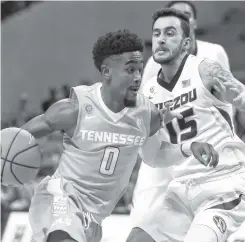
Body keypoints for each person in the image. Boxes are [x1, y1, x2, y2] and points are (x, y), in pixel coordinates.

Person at [17, 30, 216, 242]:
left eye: (140, 70)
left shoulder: (147, 114)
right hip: (60, 197)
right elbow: (19, 138)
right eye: (130, 70)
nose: (138, 77)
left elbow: (155, 154)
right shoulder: (76, 108)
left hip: (93, 221)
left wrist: (189, 148)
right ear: (106, 71)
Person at [127, 9, 245, 242]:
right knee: (137, 239)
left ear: (186, 43)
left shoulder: (206, 70)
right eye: (157, 33)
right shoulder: (149, 92)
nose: (161, 39)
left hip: (223, 186)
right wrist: (188, 148)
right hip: (181, 190)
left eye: (170, 33)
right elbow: (153, 158)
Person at [140, 1, 230, 88]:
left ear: (195, 23)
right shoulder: (154, 63)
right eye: (174, 16)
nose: (181, 20)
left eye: (186, 15)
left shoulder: (216, 52)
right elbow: (142, 101)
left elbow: (230, 94)